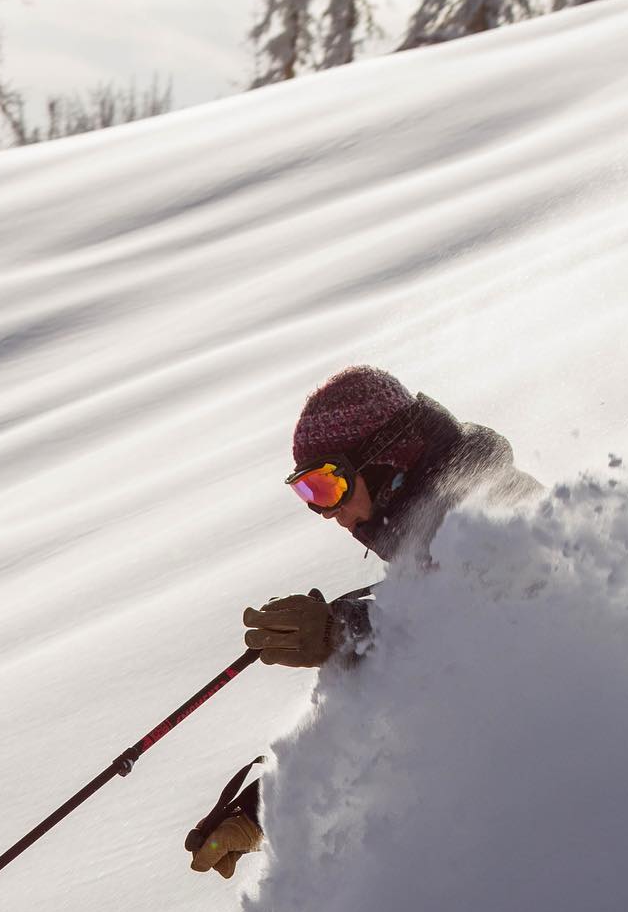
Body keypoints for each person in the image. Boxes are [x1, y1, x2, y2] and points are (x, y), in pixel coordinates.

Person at [185, 366, 539, 879]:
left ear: (387, 460)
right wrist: (270, 805)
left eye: (326, 486)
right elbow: (401, 691)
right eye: (306, 493)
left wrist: (343, 632)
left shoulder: (496, 515)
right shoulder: (431, 542)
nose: (324, 512)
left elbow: (477, 630)